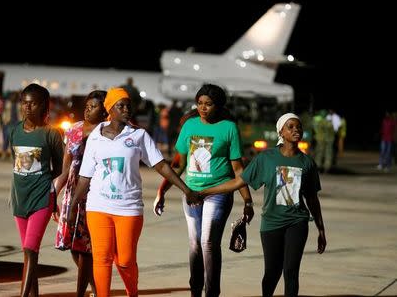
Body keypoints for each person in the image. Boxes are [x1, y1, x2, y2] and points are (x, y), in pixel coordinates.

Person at [67, 87, 198, 297]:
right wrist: (73, 207)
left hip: (128, 208)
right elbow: (85, 176)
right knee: (101, 258)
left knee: (126, 260)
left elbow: (161, 165)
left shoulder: (138, 135)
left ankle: (132, 292)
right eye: (121, 105)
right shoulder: (95, 137)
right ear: (110, 109)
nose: (127, 109)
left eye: (128, 105)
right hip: (98, 206)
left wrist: (186, 189)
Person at [200, 113, 327, 297]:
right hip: (271, 223)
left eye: (298, 126)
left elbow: (312, 199)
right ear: (281, 132)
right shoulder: (266, 158)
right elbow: (238, 182)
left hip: (297, 222)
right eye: (290, 127)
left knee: (291, 272)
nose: (296, 130)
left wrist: (321, 229)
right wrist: (206, 192)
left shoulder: (307, 163)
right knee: (272, 273)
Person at [154, 84, 253, 297]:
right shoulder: (189, 126)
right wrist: (161, 191)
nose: (203, 108)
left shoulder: (229, 128)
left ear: (218, 106)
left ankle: (212, 292)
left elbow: (238, 169)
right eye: (199, 103)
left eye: (208, 104)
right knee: (194, 245)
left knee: (208, 242)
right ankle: (195, 290)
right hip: (191, 193)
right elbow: (178, 164)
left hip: (218, 192)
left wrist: (248, 201)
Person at [9, 83, 64, 297]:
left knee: (30, 250)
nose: (27, 107)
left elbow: (60, 168)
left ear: (44, 106)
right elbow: (16, 165)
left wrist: (51, 192)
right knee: (29, 253)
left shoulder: (51, 134)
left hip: (41, 199)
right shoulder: (14, 131)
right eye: (24, 102)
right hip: (19, 200)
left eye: (33, 103)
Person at [53, 90, 107, 297]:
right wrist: (55, 194)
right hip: (73, 192)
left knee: (86, 248)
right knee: (75, 247)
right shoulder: (74, 130)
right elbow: (66, 168)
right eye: (87, 106)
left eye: (93, 107)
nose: (87, 110)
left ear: (105, 111)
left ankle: (82, 292)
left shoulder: (106, 131)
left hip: (95, 192)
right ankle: (96, 287)